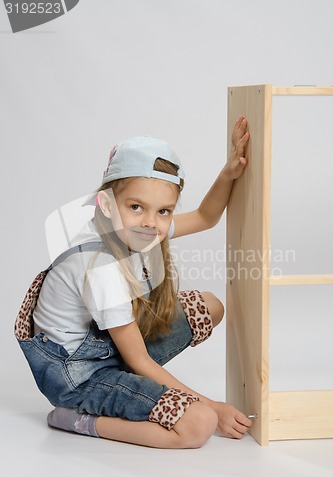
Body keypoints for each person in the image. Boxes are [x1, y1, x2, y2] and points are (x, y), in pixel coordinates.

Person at [15, 116, 251, 449]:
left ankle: (135, 390)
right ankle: (80, 420)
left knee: (208, 306)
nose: (151, 223)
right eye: (137, 206)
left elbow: (204, 217)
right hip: (78, 376)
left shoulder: (137, 226)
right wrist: (213, 406)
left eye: (164, 211)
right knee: (199, 424)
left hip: (108, 347)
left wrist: (229, 171)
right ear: (108, 203)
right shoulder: (100, 268)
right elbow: (139, 359)